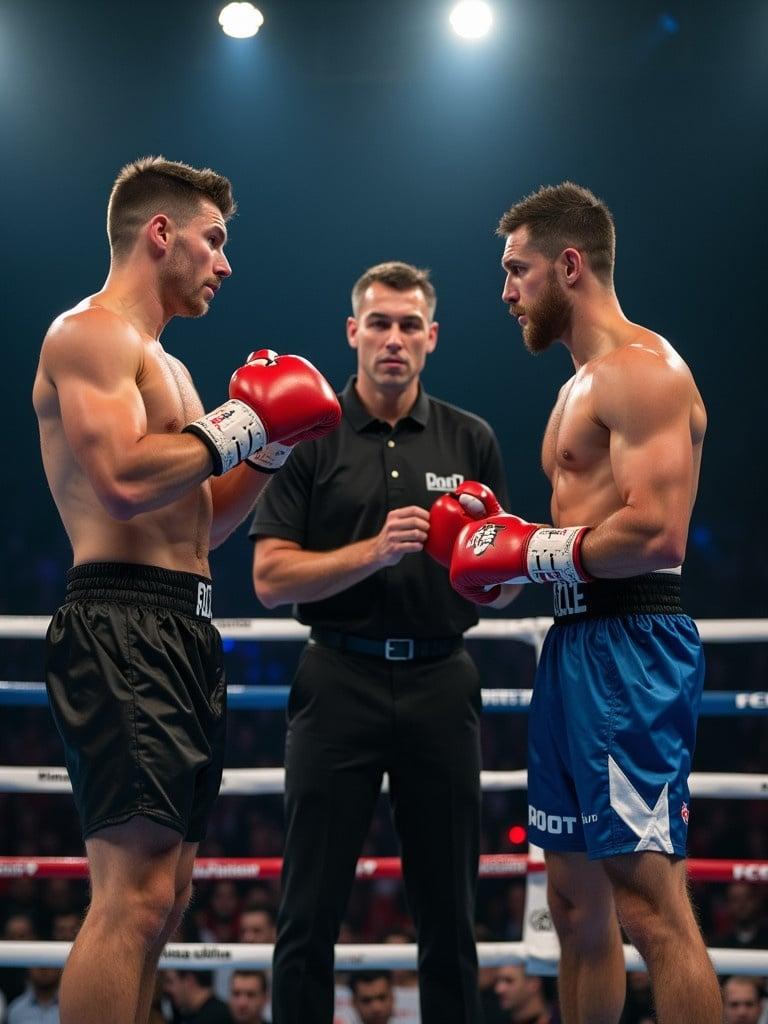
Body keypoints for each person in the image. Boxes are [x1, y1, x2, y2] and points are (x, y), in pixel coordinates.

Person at [32, 155, 341, 1024]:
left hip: (184, 625)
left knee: (164, 900)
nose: (225, 262)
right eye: (213, 240)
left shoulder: (170, 369)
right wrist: (245, 421)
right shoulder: (86, 335)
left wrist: (274, 447)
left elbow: (202, 522)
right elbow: (124, 483)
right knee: (129, 898)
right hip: (120, 618)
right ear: (158, 234)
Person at [449, 182, 719, 1022]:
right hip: (573, 647)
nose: (505, 291)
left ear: (570, 265)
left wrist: (531, 550)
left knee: (650, 909)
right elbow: (577, 538)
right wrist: (506, 545)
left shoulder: (644, 372)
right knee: (574, 908)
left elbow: (655, 533)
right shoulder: (578, 385)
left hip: (632, 648)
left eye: (517, 270)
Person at [250, 260, 515, 1024]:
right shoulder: (309, 439)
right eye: (378, 323)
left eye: (408, 325)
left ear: (430, 338)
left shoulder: (472, 438)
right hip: (338, 679)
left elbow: (496, 588)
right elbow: (270, 579)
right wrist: (372, 551)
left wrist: (490, 568)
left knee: (449, 915)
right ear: (352, 333)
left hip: (442, 682)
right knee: (308, 911)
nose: (392, 339)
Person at [163, 970, 234, 1023]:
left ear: (189, 980)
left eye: (170, 981)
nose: (166, 989)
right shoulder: (186, 1016)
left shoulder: (216, 1018)